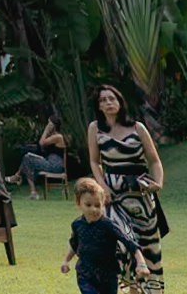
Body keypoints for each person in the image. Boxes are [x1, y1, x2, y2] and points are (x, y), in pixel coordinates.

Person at [84, 85, 168, 294]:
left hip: (140, 194)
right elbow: (95, 162)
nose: (108, 103)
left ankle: (143, 291)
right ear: (99, 106)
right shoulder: (95, 128)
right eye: (103, 100)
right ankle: (125, 288)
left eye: (112, 98)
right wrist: (102, 188)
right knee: (118, 245)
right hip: (113, 195)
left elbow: (155, 161)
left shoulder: (138, 128)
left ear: (120, 102)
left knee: (148, 247)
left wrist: (158, 183)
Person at [62, 179, 146, 294]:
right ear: (78, 203)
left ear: (103, 205)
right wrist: (66, 261)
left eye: (97, 205)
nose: (93, 209)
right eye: (88, 205)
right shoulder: (77, 225)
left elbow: (129, 242)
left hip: (108, 275)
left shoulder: (108, 225)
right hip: (85, 274)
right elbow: (74, 244)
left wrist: (141, 263)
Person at [21, 115, 68, 197]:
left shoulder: (58, 136)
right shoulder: (52, 137)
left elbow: (41, 143)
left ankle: (32, 191)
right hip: (49, 161)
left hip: (55, 165)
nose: (47, 125)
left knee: (27, 158)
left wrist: (46, 130)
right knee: (27, 158)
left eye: (49, 123)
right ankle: (20, 178)